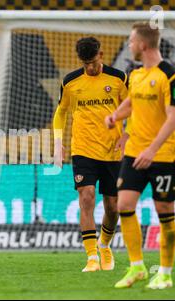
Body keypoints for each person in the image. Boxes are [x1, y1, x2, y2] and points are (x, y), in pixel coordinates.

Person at [105, 22, 175, 289]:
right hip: (134, 153)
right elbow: (131, 103)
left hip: (162, 155)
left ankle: (165, 273)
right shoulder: (136, 74)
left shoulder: (171, 76)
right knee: (123, 205)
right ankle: (137, 267)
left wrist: (152, 150)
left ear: (143, 45)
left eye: (131, 41)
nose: (129, 45)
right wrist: (115, 115)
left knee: (164, 211)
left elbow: (173, 118)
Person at [53, 37, 129, 272]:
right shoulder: (71, 82)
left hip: (112, 150)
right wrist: (57, 142)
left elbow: (133, 108)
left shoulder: (118, 78)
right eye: (85, 63)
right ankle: (91, 258)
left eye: (93, 62)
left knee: (113, 206)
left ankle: (104, 245)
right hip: (83, 150)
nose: (90, 67)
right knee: (86, 198)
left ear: (102, 55)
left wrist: (128, 135)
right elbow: (61, 113)